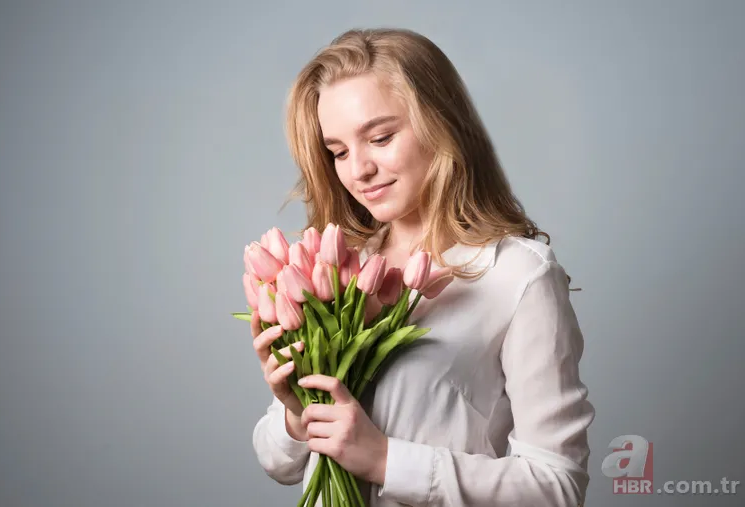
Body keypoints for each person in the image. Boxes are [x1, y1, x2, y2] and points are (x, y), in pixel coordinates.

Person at [250, 27, 595, 507]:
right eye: (339, 152)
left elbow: (557, 486)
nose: (359, 170)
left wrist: (384, 459)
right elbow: (278, 462)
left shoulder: (517, 275)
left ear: (442, 123)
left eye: (381, 137)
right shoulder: (336, 263)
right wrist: (295, 411)